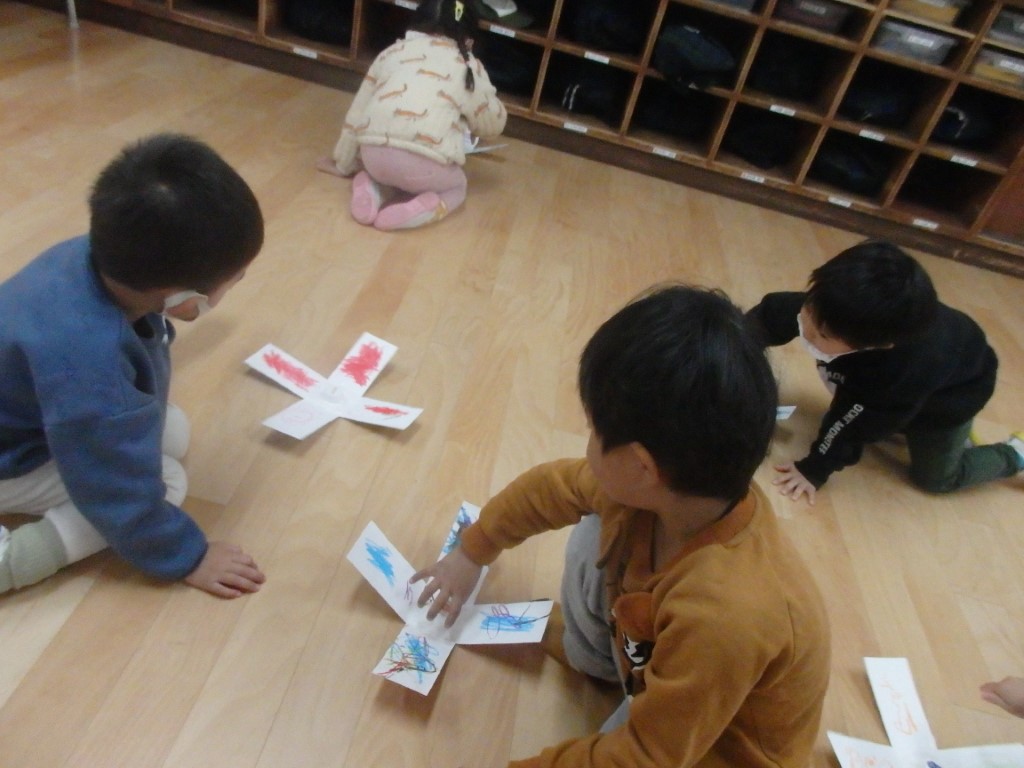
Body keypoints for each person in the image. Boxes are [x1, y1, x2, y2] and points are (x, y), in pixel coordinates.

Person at [412, 284, 831, 768]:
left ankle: (622, 681)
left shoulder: (727, 614)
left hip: (712, 749)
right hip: (661, 680)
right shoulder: (669, 491)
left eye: (594, 431)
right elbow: (547, 490)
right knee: (595, 532)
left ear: (641, 466)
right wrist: (471, 553)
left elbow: (646, 756)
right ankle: (598, 664)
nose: (588, 442)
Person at [0, 133, 267, 599]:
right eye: (235, 279)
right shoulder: (92, 367)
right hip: (11, 455)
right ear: (182, 300)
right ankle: (16, 559)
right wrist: (186, 554)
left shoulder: (91, 254)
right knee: (166, 481)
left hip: (28, 411)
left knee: (171, 432)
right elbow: (115, 489)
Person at [746, 240, 1024, 505]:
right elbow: (760, 323)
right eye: (808, 311)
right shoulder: (833, 309)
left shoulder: (895, 375)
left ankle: (1015, 453)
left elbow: (851, 425)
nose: (806, 330)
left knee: (935, 479)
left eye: (822, 335)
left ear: (877, 345)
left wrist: (814, 469)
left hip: (953, 397)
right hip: (919, 374)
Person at [326, 0, 507, 230]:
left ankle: (371, 185)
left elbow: (357, 112)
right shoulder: (469, 66)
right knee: (458, 185)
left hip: (372, 156)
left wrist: (344, 163)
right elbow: (493, 124)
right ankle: (427, 208)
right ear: (469, 39)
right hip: (425, 163)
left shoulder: (390, 52)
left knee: (386, 171)